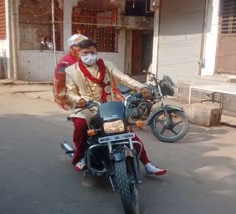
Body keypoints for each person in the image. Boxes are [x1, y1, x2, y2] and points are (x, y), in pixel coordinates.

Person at [65, 39, 167, 176]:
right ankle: (81, 157)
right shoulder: (71, 70)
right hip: (87, 107)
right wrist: (79, 100)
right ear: (79, 53)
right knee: (80, 126)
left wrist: (142, 87)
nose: (89, 55)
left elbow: (124, 78)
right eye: (85, 53)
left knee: (126, 131)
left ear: (97, 52)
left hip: (108, 104)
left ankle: (147, 164)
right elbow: (70, 92)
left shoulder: (106, 65)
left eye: (92, 52)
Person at [53, 34, 88, 110]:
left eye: (84, 46)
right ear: (71, 47)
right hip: (74, 95)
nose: (80, 48)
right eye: (77, 46)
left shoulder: (88, 59)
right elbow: (59, 82)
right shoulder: (65, 62)